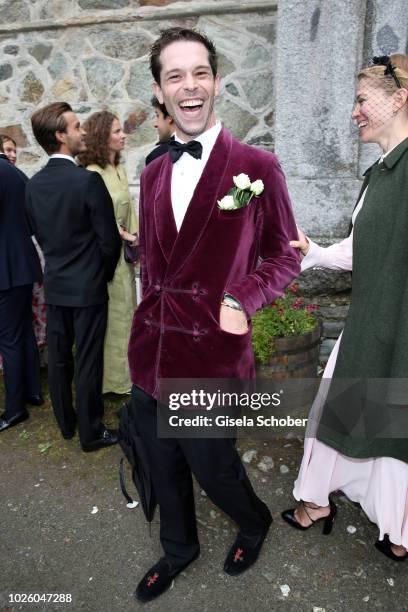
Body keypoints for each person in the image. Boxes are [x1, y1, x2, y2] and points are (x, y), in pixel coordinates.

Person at [127, 27, 300, 602]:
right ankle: (179, 548)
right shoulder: (151, 172)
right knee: (162, 465)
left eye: (199, 72)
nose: (189, 85)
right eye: (174, 76)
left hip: (209, 358)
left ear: (216, 82)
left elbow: (283, 255)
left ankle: (253, 523)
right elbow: (157, 263)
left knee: (214, 469)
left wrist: (242, 298)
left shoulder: (257, 167)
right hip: (149, 357)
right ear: (159, 91)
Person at [282, 54, 408, 562]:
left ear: (399, 98)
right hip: (372, 326)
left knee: (389, 424)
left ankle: (380, 523)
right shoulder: (379, 173)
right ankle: (382, 526)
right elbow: (361, 250)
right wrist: (309, 251)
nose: (354, 112)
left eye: (361, 100)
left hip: (396, 328)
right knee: (356, 415)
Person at [26, 102, 122, 452]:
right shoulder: (87, 181)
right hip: (89, 287)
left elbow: (35, 232)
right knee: (88, 360)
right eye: (76, 125)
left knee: (60, 358)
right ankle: (91, 432)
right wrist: (104, 275)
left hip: (55, 285)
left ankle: (66, 424)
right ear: (60, 135)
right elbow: (109, 241)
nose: (82, 131)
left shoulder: (33, 185)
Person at [77, 111, 138, 395]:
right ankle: (109, 381)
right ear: (103, 137)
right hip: (104, 257)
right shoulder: (92, 174)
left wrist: (135, 238)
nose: (123, 135)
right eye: (116, 131)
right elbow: (93, 218)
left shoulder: (119, 169)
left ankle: (124, 376)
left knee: (126, 314)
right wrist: (121, 233)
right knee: (112, 316)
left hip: (123, 255)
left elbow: (129, 209)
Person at [0, 148, 43, 432]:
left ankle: (15, 409)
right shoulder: (15, 172)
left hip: (4, 266)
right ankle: (32, 391)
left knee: (9, 338)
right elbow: (31, 218)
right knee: (22, 330)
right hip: (21, 261)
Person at [145, 96, 175, 165]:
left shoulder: (157, 157)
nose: (155, 124)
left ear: (169, 118)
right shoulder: (199, 148)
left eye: (158, 115)